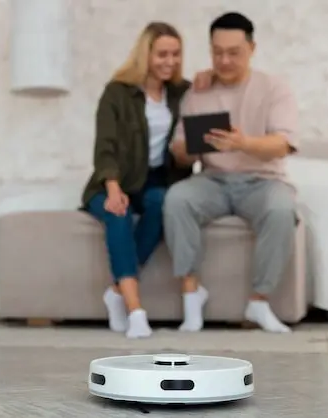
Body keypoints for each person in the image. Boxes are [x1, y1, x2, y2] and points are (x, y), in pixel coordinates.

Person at [164, 12, 299, 333]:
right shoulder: (198, 91)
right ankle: (191, 295)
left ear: (252, 49)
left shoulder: (274, 88)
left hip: (263, 180)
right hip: (213, 179)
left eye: (233, 52)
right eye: (217, 52)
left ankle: (259, 301)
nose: (224, 61)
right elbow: (179, 152)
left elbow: (283, 144)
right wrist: (191, 147)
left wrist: (243, 143)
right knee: (178, 199)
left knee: (281, 209)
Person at [81, 22, 213, 339]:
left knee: (161, 203)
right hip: (116, 178)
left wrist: (209, 79)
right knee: (119, 214)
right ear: (146, 54)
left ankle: (116, 291)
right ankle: (135, 311)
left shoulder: (181, 92)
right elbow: (105, 148)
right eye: (162, 54)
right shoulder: (117, 92)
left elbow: (213, 103)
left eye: (176, 54)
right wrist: (113, 188)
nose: (170, 61)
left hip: (157, 180)